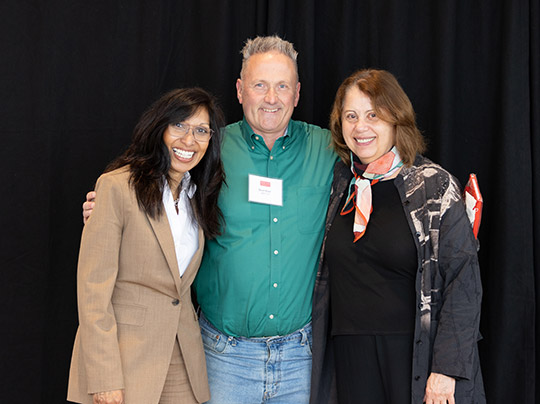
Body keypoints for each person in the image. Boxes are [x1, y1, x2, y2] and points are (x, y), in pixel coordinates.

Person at [83, 35, 337, 403]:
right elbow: (147, 189)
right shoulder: (206, 148)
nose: (271, 98)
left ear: (297, 93)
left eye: (282, 86)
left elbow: (380, 170)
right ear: (239, 90)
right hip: (223, 356)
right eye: (259, 85)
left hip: (300, 358)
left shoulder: (329, 149)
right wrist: (103, 207)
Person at [310, 69, 485, 404]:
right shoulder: (337, 186)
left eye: (373, 115)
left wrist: (447, 369)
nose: (361, 127)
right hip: (349, 359)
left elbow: (463, 282)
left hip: (414, 358)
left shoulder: (433, 186)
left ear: (396, 119)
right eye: (351, 116)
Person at [68, 88, 225, 404]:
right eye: (179, 125)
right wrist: (104, 377)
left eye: (201, 131)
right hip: (125, 360)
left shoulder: (199, 196)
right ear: (160, 128)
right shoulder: (116, 187)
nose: (189, 140)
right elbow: (92, 291)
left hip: (182, 359)